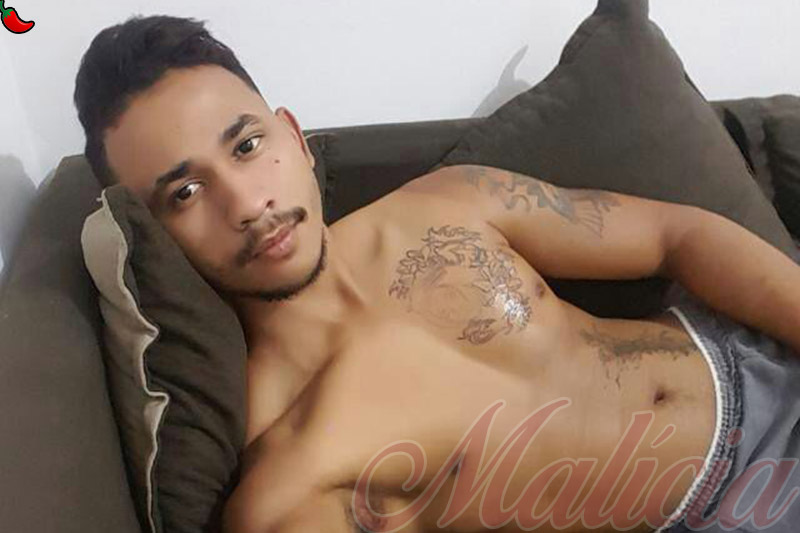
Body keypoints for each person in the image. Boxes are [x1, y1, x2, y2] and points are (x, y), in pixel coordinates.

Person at [73, 15, 800, 533]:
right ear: (155, 238)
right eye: (185, 193)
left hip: (756, 361)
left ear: (294, 137)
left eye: (246, 145)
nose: (246, 203)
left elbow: (677, 236)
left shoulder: (444, 205)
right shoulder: (287, 464)